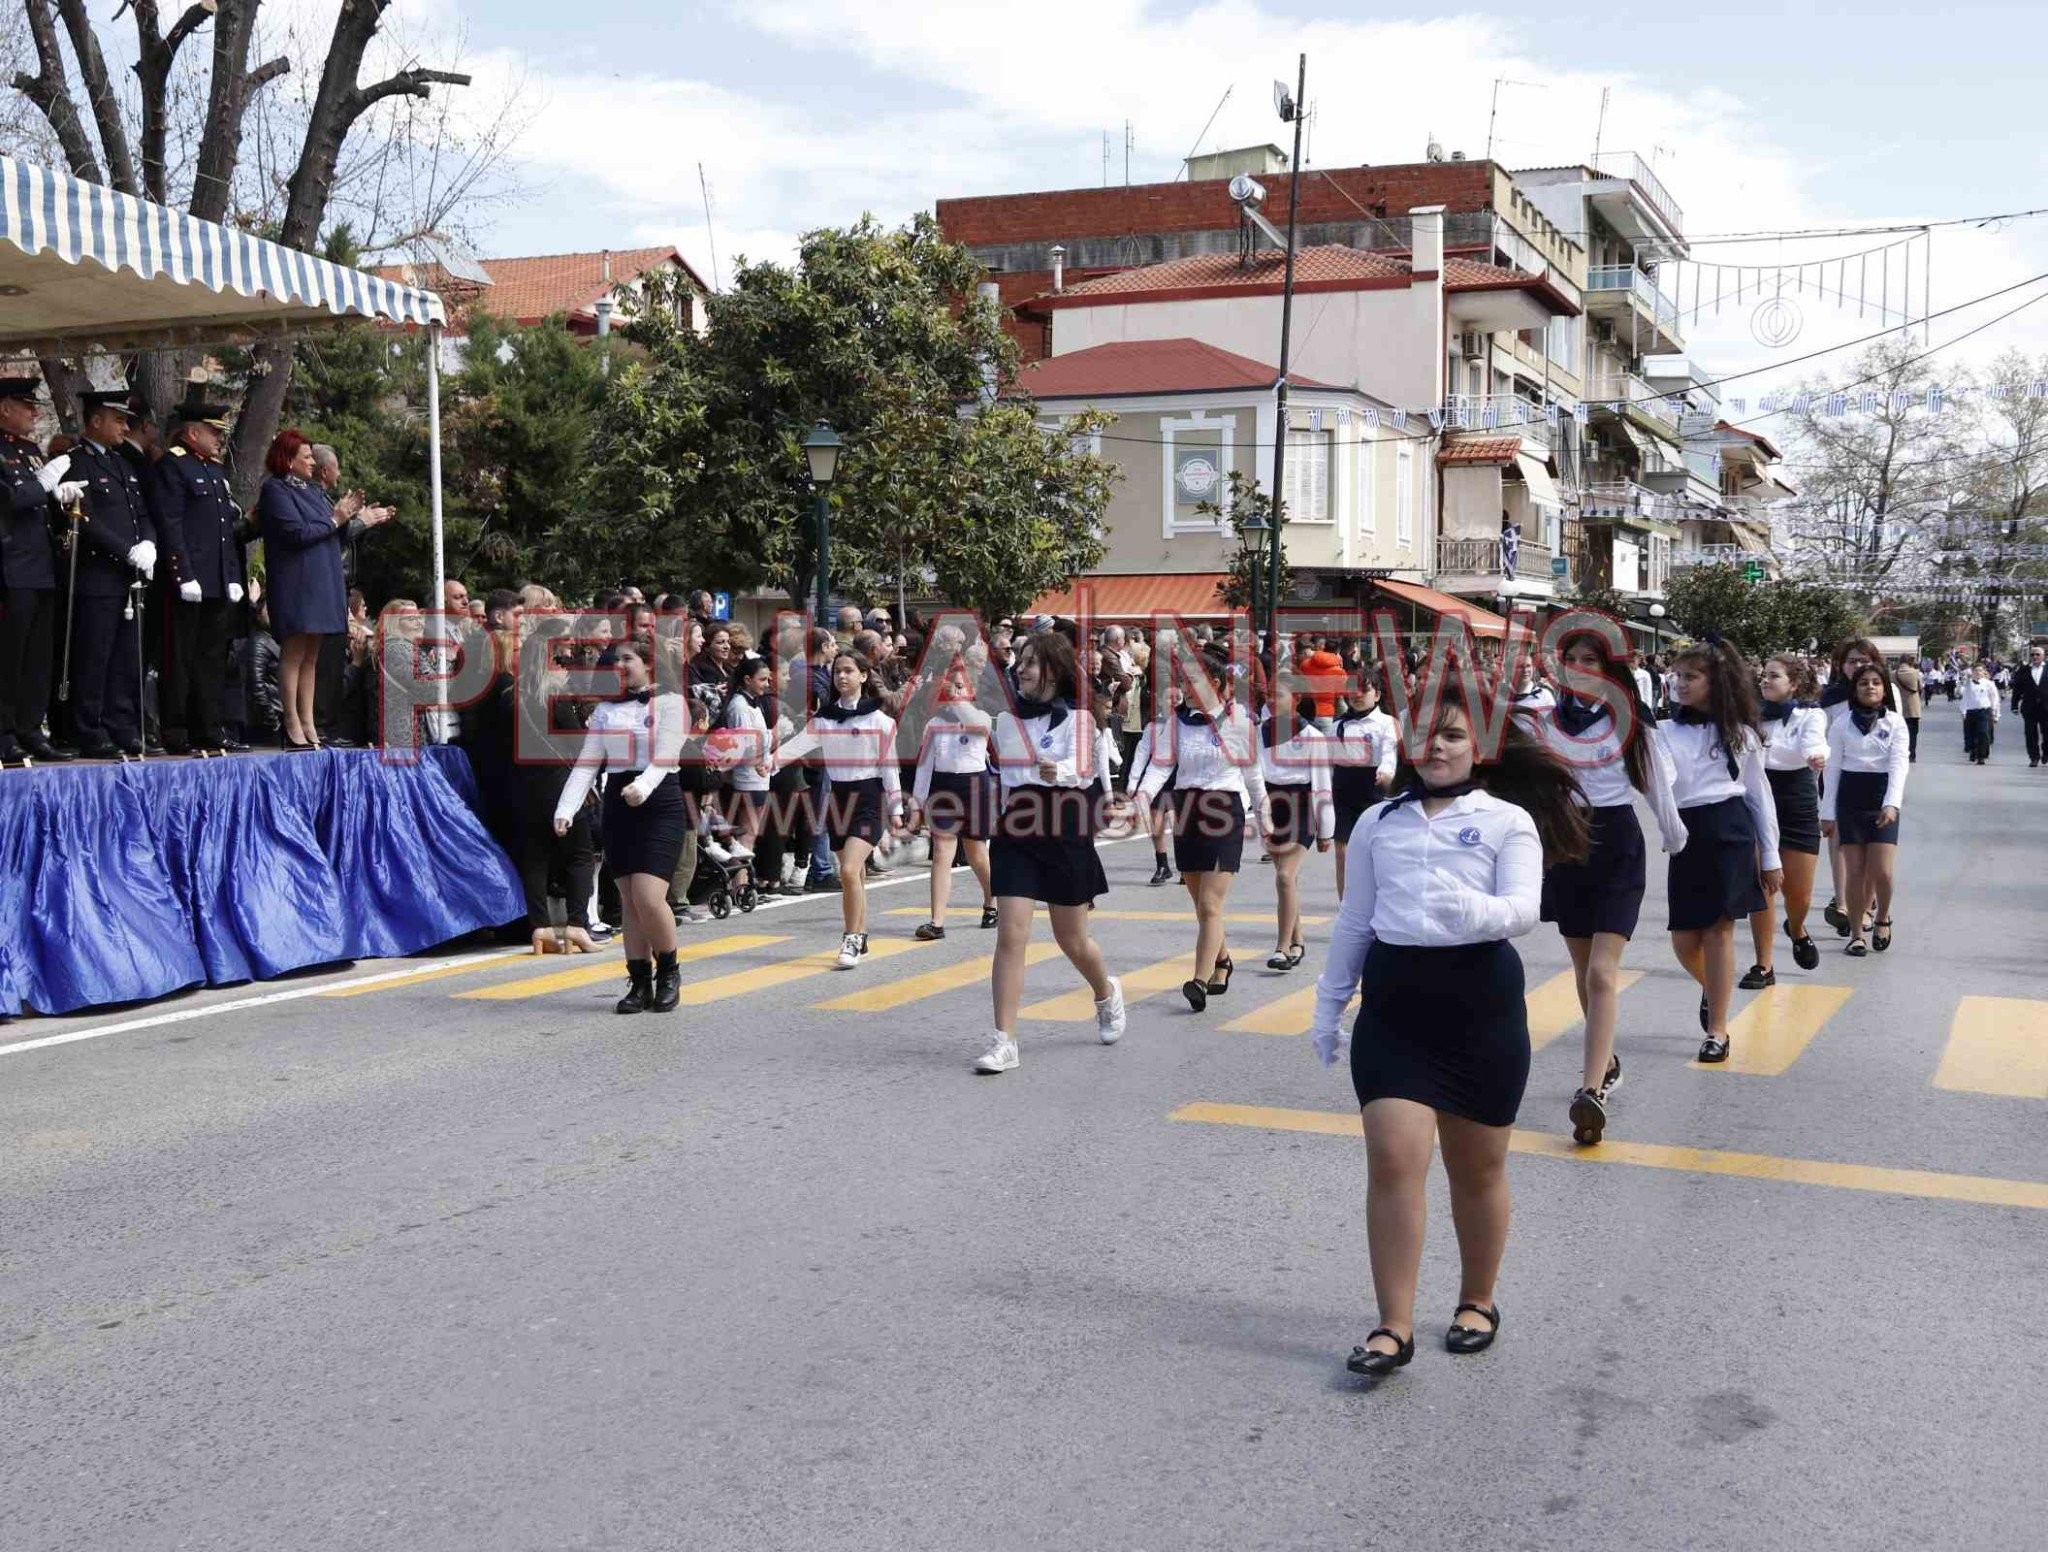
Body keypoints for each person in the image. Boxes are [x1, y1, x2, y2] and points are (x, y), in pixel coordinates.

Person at [1311, 682, 1589, 1377]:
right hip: (1397, 1008)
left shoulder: (1505, 822)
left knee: (1477, 1169)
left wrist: (1474, 909)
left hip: (1480, 1007)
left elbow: (1523, 910)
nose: (1434, 746)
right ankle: (1392, 1327)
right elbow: (1355, 919)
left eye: (1453, 735)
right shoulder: (1380, 821)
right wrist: (1329, 1002)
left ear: (1483, 748)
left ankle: (1477, 1299)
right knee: (1395, 1159)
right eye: (1425, 733)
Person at [1525, 629, 1687, 1146]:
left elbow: (1660, 787)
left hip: (1617, 845)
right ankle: (1608, 1060)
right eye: (1569, 659)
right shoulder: (1547, 722)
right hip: (1566, 846)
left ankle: (1590, 1091)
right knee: (1581, 970)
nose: (1577, 667)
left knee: (1601, 971)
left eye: (1589, 659)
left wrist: (1677, 839)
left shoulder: (1633, 724)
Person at [975, 628, 1125, 1074]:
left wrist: (1056, 768)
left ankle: (1106, 992)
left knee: (1072, 939)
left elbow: (1083, 773)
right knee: (1011, 934)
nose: (1021, 670)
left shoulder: (1079, 719)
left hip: (1064, 823)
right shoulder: (1006, 721)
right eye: (1019, 662)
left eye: (1031, 663)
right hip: (1018, 826)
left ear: (1054, 672)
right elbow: (1003, 779)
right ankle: (1004, 1040)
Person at [555, 640, 698, 1012]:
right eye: (614, 661)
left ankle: (669, 971)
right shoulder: (605, 710)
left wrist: (645, 785)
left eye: (627, 659)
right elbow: (589, 763)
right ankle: (639, 982)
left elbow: (667, 754)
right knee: (630, 902)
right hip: (619, 801)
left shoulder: (671, 703)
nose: (619, 666)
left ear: (649, 663)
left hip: (660, 798)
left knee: (649, 897)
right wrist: (566, 808)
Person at [1663, 639, 1782, 1064]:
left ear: (1715, 684)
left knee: (1719, 931)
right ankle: (1714, 990)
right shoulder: (1664, 731)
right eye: (1677, 675)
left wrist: (1771, 857)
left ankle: (1718, 1029)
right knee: (1682, 940)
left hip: (1730, 830)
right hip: (1686, 832)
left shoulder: (1743, 734)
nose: (1680, 683)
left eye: (1690, 677)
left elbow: (1758, 795)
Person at [1134, 643, 1270, 1013]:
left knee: (1211, 903)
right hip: (1188, 810)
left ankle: (1198, 978)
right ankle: (1223, 960)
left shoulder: (1239, 721)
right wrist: (1142, 796)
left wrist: (1266, 816)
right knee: (1201, 904)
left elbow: (1253, 775)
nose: (1187, 687)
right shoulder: (1179, 720)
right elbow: (1162, 765)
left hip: (1224, 811)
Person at [258, 431, 387, 750]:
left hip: (323, 580)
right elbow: (297, 533)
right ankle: (290, 721)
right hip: (297, 582)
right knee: (294, 652)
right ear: (288, 459)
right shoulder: (275, 490)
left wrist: (353, 520)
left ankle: (308, 721)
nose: (313, 462)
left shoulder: (314, 493)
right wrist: (336, 517)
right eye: (306, 457)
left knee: (312, 657)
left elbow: (333, 536)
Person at [781, 649, 904, 968]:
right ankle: (861, 933)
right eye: (837, 671)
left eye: (849, 670)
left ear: (864, 676)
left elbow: (889, 766)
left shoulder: (881, 720)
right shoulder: (826, 718)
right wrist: (768, 763)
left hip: (869, 796)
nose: (842, 676)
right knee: (856, 873)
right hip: (838, 796)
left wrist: (897, 807)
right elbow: (797, 745)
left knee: (848, 870)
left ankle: (850, 938)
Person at [62, 391, 159, 758]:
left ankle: (121, 723)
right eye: (117, 419)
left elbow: (143, 514)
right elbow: (85, 518)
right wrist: (126, 551)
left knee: (125, 657)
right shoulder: (76, 462)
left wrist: (148, 543)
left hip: (130, 577)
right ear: (96, 421)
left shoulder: (123, 464)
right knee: (95, 655)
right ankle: (90, 727)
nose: (124, 426)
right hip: (100, 574)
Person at [150, 397, 248, 756]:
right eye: (213, 431)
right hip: (188, 581)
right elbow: (171, 523)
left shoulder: (215, 469)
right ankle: (176, 729)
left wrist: (232, 576)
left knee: (210, 659)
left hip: (216, 579)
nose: (219, 439)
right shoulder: (174, 467)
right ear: (192, 432)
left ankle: (209, 726)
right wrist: (182, 573)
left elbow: (223, 531)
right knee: (180, 657)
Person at [0, 376, 77, 765]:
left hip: (42, 565)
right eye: (27, 406)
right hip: (11, 567)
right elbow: (12, 498)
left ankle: (31, 728)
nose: (34, 413)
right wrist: (43, 483)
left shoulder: (30, 449)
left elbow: (40, 506)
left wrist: (61, 501)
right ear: (4, 408)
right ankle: (4, 733)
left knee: (38, 658)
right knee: (10, 657)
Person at [1747, 655, 1828, 986]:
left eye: (1774, 676)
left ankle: (1796, 928)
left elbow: (1814, 743)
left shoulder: (1809, 715)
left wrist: (1816, 755)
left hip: (1797, 799)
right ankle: (1763, 965)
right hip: (1757, 796)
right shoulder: (1749, 716)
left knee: (1798, 894)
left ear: (1793, 684)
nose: (1766, 681)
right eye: (1764, 675)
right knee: (1762, 884)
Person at [1823, 662, 1910, 957]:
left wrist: (1892, 803)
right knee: (1855, 872)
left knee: (1882, 871)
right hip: (1850, 798)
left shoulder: (1895, 723)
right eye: (1863, 683)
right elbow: (1832, 770)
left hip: (1881, 798)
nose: (1869, 687)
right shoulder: (1840, 723)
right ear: (1855, 689)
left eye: (1875, 682)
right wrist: (1828, 812)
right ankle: (1857, 934)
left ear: (1884, 689)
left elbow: (1899, 765)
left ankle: (1883, 916)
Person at [909, 653, 998, 939]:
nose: (956, 691)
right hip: (944, 787)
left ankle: (991, 900)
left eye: (962, 686)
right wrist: (917, 802)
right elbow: (925, 766)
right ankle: (936, 922)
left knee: (977, 854)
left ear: (971, 690)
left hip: (975, 786)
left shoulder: (982, 717)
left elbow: (978, 726)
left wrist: (958, 700)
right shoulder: (935, 723)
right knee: (942, 854)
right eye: (953, 685)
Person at [1817, 638, 1897, 935]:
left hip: (1878, 783)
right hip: (1836, 775)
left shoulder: (1886, 695)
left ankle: (1867, 904)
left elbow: (1897, 740)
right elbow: (1819, 736)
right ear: (1841, 665)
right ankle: (1842, 901)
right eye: (1852, 661)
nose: (1858, 667)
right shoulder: (1830, 698)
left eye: (1864, 660)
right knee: (1837, 839)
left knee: (1874, 848)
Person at [1257, 671, 1333, 969]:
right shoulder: (1260, 733)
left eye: (1279, 695)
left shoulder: (1313, 737)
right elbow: (1253, 778)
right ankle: (1298, 941)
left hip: (1301, 809)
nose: (1271, 700)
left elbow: (1322, 785)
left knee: (1285, 877)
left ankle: (1281, 946)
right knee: (1288, 881)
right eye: (1269, 694)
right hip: (1272, 808)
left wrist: (1326, 830)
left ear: (1297, 699)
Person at [1325, 672, 1399, 900]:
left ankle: (1380, 903)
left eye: (1363, 691)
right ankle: (1346, 907)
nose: (1356, 696)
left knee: (1377, 853)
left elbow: (1389, 752)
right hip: (1344, 788)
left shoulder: (1387, 723)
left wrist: (1387, 773)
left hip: (1374, 788)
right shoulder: (1337, 725)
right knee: (1342, 853)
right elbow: (1327, 763)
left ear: (1376, 695)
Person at [2012, 644, 2048, 768]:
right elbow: (2017, 689)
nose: (2035, 656)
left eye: (2038, 654)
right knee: (2030, 734)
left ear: (2043, 656)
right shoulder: (2024, 670)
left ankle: (2046, 752)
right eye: (2032, 654)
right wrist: (2014, 705)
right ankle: (2034, 757)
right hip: (2029, 707)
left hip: (2046, 707)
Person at [1961, 660, 2000, 763]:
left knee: (1983, 733)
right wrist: (1963, 711)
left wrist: (1995, 713)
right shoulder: (1968, 684)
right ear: (1972, 672)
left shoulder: (1989, 684)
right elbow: (1964, 697)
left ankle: (1981, 756)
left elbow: (1994, 698)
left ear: (1984, 672)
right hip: (1971, 711)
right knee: (1971, 734)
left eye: (1980, 670)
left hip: (1984, 711)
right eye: (1976, 670)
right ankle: (1973, 750)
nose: (1978, 672)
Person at [1892, 657, 1924, 763]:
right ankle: (1912, 754)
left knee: (1898, 733)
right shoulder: (1915, 673)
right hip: (1912, 708)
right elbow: (1920, 688)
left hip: (1897, 707)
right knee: (1913, 733)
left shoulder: (1892, 674)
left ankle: (1901, 753)